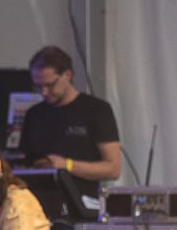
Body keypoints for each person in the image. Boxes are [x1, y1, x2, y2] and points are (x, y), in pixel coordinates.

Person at [19, 46, 122, 204]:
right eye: (38, 86)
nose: (44, 92)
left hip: (82, 205)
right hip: (38, 205)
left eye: (50, 85)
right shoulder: (34, 114)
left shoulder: (96, 110)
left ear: (67, 75)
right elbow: (24, 162)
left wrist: (66, 165)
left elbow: (113, 169)